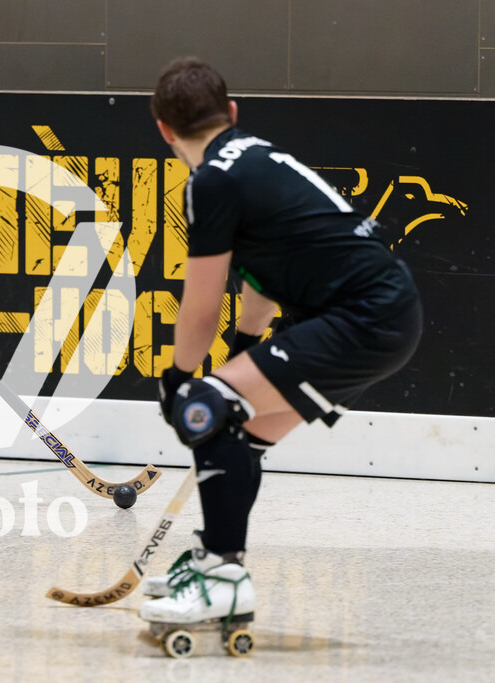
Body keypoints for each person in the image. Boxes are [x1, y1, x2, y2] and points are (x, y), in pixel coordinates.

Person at [137, 58, 422, 633]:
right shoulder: (254, 155)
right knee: (238, 436)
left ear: (165, 131)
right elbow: (261, 281)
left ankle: (221, 575)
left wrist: (177, 380)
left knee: (205, 412)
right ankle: (220, 563)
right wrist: (243, 349)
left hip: (359, 319)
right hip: (386, 313)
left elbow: (200, 300)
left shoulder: (210, 181)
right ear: (232, 113)